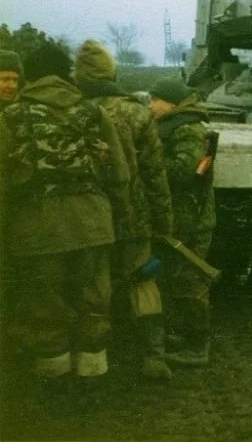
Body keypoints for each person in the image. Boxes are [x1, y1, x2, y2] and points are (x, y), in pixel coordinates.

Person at [0, 43, 130, 382]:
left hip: (37, 227)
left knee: (46, 305)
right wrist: (120, 216)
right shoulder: (93, 112)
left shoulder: (11, 116)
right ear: (66, 75)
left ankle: (54, 380)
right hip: (93, 224)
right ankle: (92, 373)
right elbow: (120, 174)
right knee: (92, 300)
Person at [75, 40, 176, 381]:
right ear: (112, 72)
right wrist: (164, 221)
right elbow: (155, 175)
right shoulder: (137, 112)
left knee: (91, 284)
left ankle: (96, 358)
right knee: (143, 279)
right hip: (133, 214)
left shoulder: (71, 109)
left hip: (87, 218)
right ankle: (154, 356)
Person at [148, 79, 216, 367]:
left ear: (172, 103)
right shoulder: (175, 126)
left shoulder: (188, 129)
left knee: (189, 283)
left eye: (155, 100)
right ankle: (184, 335)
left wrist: (148, 165)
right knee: (174, 280)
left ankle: (197, 345)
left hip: (191, 220)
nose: (150, 105)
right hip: (180, 217)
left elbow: (185, 171)